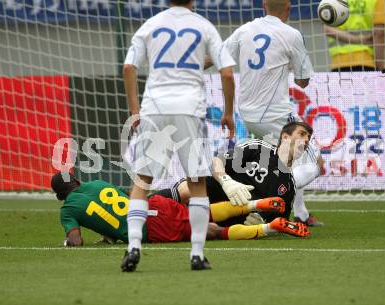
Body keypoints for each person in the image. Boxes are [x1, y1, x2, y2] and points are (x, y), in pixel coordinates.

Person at [122, 0, 236, 271]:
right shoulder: (203, 25)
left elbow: (128, 68)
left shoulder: (150, 25)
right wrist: (228, 112)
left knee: (142, 181)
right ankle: (196, 254)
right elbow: (228, 73)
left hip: (155, 109)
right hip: (189, 110)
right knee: (197, 183)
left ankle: (133, 246)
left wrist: (135, 110)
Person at [205, 0, 324, 226]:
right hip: (276, 115)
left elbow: (216, 57)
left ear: (263, 6)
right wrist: (289, 64)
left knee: (284, 163)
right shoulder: (292, 35)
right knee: (315, 163)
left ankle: (302, 214)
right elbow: (303, 81)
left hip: (248, 114)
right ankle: (264, 204)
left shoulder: (245, 30)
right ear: (288, 8)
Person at [50, 173, 309, 248]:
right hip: (155, 205)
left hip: (151, 227)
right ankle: (255, 204)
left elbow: (76, 240)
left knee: (212, 232)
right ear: (77, 182)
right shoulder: (96, 183)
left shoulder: (67, 210)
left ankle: (267, 227)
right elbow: (122, 201)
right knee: (204, 212)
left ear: (60, 195)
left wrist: (68, 240)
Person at [157, 121, 319, 227]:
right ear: (285, 136)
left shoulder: (289, 186)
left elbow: (278, 220)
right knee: (191, 186)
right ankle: (147, 205)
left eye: (308, 138)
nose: (306, 141)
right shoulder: (258, 148)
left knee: (214, 230)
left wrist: (261, 223)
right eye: (302, 134)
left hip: (233, 215)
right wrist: (227, 181)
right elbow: (216, 162)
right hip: (216, 189)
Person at [324, 0, 385, 72]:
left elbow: (328, 29)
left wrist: (359, 40)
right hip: (366, 63)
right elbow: (379, 34)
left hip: (339, 64)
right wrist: (381, 69)